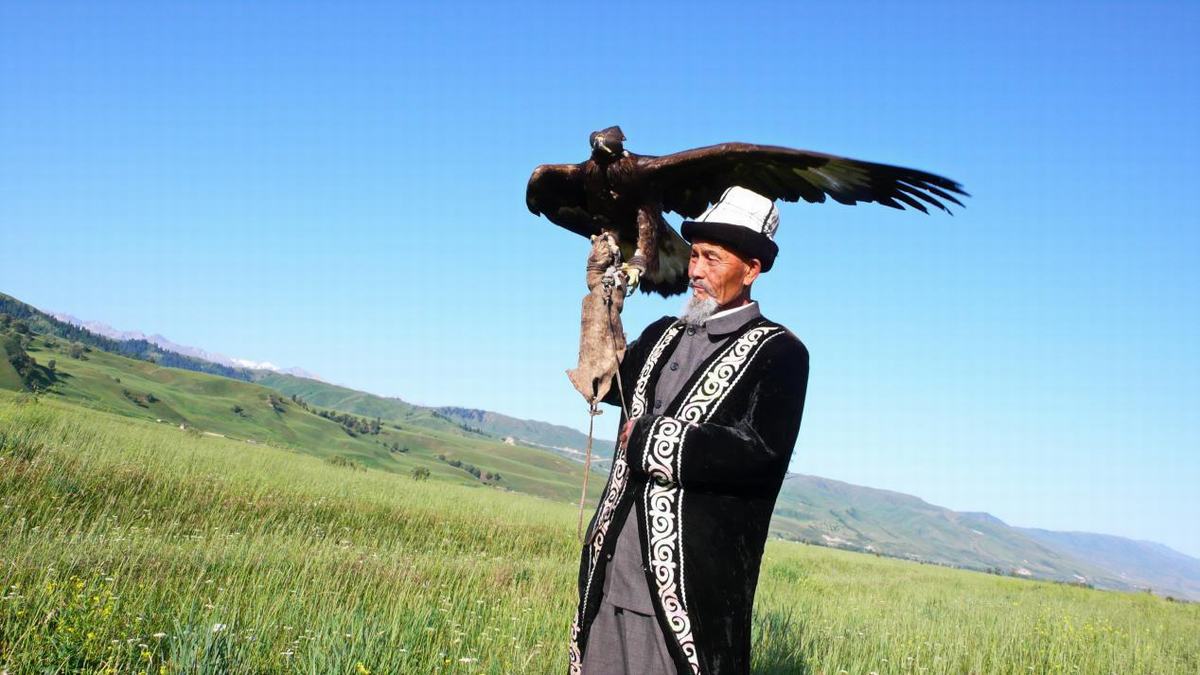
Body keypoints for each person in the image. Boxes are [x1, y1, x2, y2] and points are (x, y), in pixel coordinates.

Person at [569, 186, 811, 674]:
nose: (694, 271)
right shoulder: (661, 334)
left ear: (752, 270)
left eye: (712, 259)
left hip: (690, 593)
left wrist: (647, 440)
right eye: (695, 255)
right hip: (611, 568)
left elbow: (759, 456)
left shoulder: (780, 354)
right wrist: (601, 303)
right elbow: (604, 386)